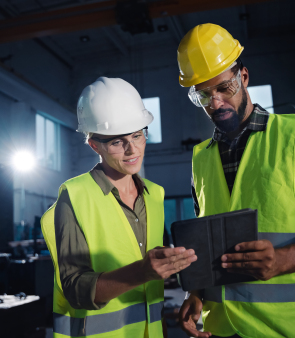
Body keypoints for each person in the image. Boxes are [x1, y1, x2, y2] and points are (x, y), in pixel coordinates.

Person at [176, 24, 295, 338]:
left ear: (243, 77)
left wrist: (281, 260)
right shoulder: (201, 158)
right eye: (203, 94)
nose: (215, 103)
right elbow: (207, 242)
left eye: (223, 88)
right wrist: (197, 293)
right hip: (223, 330)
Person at [41, 77, 197, 338]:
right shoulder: (75, 195)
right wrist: (141, 272)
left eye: (137, 135)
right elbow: (74, 288)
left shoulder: (155, 195)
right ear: (95, 145)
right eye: (116, 142)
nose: (132, 149)